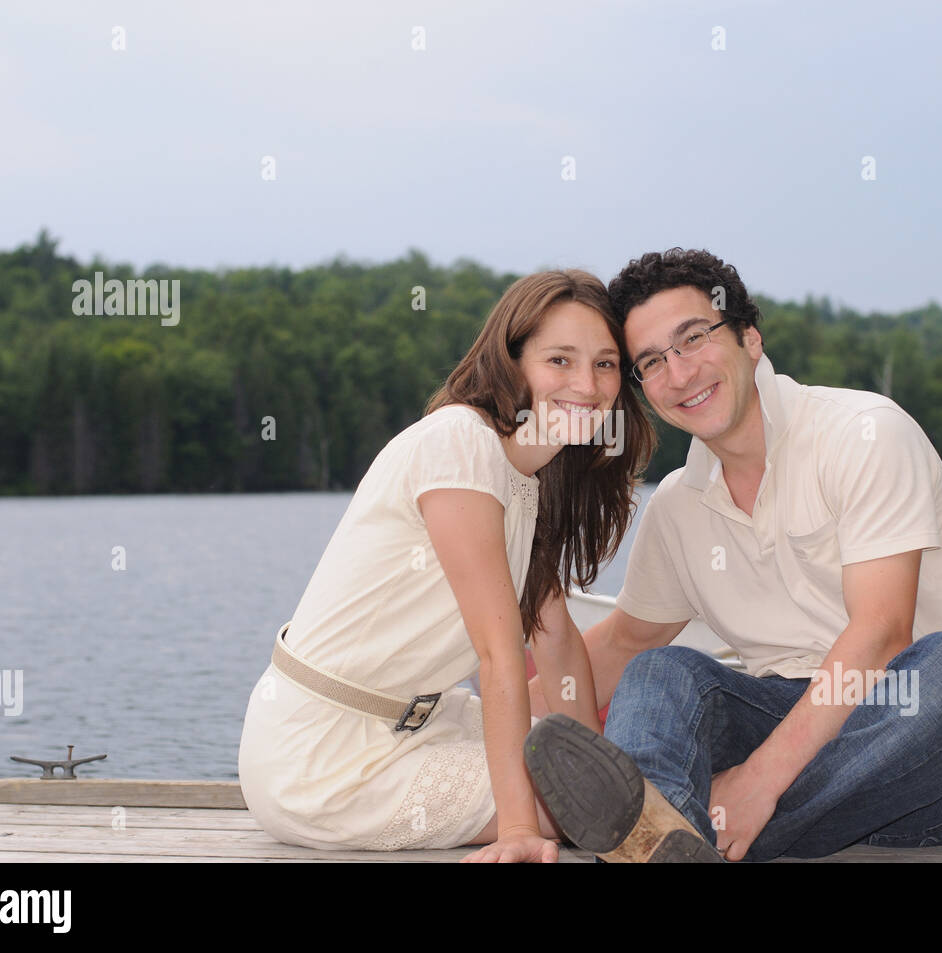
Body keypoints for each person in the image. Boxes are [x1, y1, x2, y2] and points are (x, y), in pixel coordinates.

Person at [525, 248, 942, 862]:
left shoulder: (864, 433)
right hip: (777, 721)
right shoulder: (677, 507)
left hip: (908, 753)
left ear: (750, 338)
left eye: (693, 339)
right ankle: (665, 838)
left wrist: (757, 781)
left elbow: (881, 631)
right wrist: (478, 719)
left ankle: (682, 832)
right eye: (652, 362)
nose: (680, 374)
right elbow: (625, 644)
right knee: (660, 673)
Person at [238, 270, 655, 863]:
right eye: (560, 359)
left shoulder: (524, 478)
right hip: (324, 756)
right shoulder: (460, 444)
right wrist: (517, 830)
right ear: (510, 361)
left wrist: (598, 765)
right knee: (575, 810)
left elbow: (557, 638)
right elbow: (499, 652)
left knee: (605, 792)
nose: (586, 385)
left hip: (421, 723)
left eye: (606, 364)